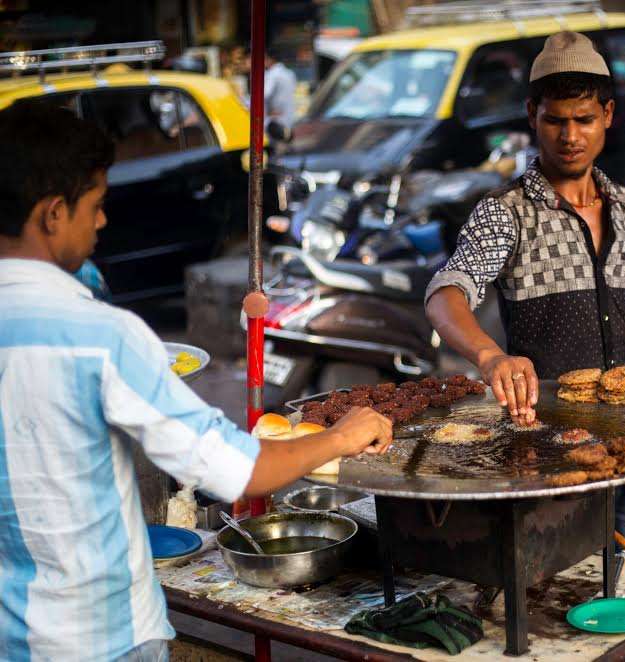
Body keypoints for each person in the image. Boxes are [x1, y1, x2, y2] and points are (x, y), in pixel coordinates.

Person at [0, 102, 393, 661]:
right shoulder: (101, 335)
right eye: (96, 205)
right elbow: (237, 469)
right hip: (99, 637)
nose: (103, 222)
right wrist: (341, 437)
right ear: (53, 213)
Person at [424, 29, 625, 609]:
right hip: (547, 453)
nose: (570, 136)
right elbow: (446, 292)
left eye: (583, 118)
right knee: (553, 603)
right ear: (532, 116)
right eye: (554, 120)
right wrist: (490, 355)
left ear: (607, 115)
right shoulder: (506, 214)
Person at [263, 50, 298, 131]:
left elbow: (265, 94)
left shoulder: (271, 74)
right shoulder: (289, 73)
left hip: (276, 117)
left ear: (270, 59)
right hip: (290, 115)